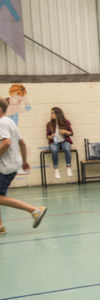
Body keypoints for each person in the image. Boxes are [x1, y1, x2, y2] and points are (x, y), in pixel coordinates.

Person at [0, 98, 47, 235]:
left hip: (5, 168)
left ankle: (35, 210)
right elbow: (22, 142)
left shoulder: (1, 122)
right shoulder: (9, 122)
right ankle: (0, 227)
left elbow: (7, 143)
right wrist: (25, 161)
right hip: (14, 165)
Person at [46, 107, 74, 179]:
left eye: (53, 113)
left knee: (67, 148)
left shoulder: (66, 122)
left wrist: (65, 132)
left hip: (64, 141)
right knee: (54, 150)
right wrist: (51, 137)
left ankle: (68, 167)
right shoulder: (49, 124)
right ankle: (56, 169)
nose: (51, 115)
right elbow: (47, 136)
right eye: (51, 113)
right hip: (54, 142)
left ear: (57, 114)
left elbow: (71, 133)